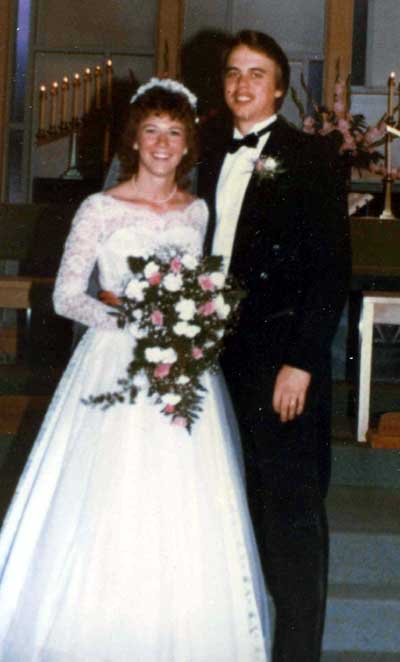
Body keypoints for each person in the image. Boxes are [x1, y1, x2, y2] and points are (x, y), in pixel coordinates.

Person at [0, 79, 270, 661]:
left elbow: (200, 287)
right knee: (111, 494)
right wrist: (133, 321)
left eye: (174, 132)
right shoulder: (100, 209)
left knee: (184, 499)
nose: (162, 143)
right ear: (134, 140)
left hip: (181, 371)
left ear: (188, 143)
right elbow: (66, 296)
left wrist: (189, 321)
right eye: (151, 131)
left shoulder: (196, 212)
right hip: (113, 364)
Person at [198, 30, 351, 662]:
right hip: (210, 362)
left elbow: (330, 271)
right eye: (233, 72)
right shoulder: (204, 151)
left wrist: (302, 363)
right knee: (230, 509)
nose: (242, 85)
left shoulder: (311, 157)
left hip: (280, 362)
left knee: (291, 519)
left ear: (280, 88)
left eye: (256, 74)